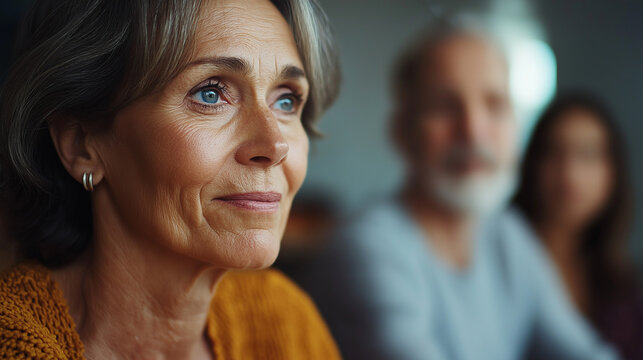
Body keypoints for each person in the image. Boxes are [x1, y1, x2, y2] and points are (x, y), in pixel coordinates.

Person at [0, 0, 341, 358]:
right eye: (210, 94)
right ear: (80, 143)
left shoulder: (283, 321)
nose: (274, 145)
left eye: (286, 100)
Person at [301, 18, 619, 360]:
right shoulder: (366, 249)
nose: (473, 131)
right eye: (444, 106)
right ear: (401, 132)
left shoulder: (508, 236)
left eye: (495, 105)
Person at [514, 93, 643, 360]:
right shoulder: (500, 254)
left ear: (613, 173)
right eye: (553, 153)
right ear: (532, 164)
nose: (569, 173)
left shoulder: (624, 288)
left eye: (588, 155)